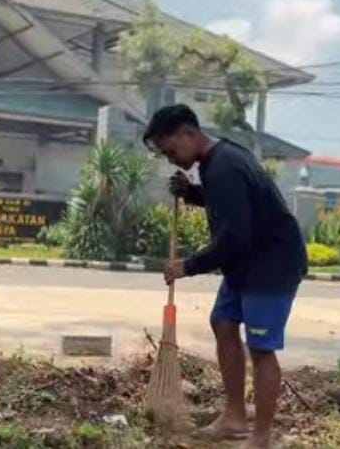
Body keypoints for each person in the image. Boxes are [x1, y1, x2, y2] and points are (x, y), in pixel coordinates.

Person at [142, 104, 307, 449]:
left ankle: (260, 436)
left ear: (188, 133)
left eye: (171, 151)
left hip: (271, 264)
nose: (172, 160)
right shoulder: (218, 160)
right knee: (223, 322)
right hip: (245, 263)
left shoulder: (224, 167)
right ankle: (234, 417)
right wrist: (192, 193)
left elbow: (236, 237)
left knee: (261, 349)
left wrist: (188, 266)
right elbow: (231, 203)